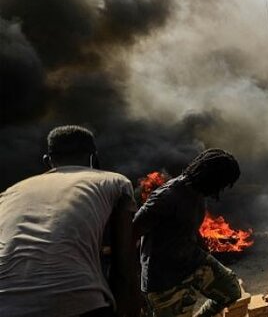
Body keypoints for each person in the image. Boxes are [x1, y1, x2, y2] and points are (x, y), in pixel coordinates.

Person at [0, 125, 138, 317]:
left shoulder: (10, 193)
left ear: (48, 161)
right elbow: (123, 265)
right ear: (93, 158)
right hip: (77, 302)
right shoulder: (115, 182)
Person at [133, 148, 242, 317]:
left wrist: (204, 251)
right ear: (212, 179)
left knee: (231, 290)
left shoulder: (197, 191)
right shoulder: (166, 197)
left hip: (192, 260)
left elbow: (186, 226)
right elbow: (132, 232)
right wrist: (132, 283)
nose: (220, 190)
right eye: (221, 184)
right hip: (164, 279)